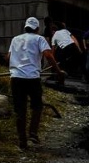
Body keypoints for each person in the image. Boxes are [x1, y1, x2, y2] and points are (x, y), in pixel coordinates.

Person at [6, 17, 65, 149]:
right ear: (37, 29)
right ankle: (33, 133)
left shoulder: (15, 39)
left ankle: (22, 141)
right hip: (32, 78)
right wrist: (58, 71)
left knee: (20, 110)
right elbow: (49, 56)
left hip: (16, 78)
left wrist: (15, 66)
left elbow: (8, 57)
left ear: (25, 27)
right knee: (37, 106)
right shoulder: (39, 39)